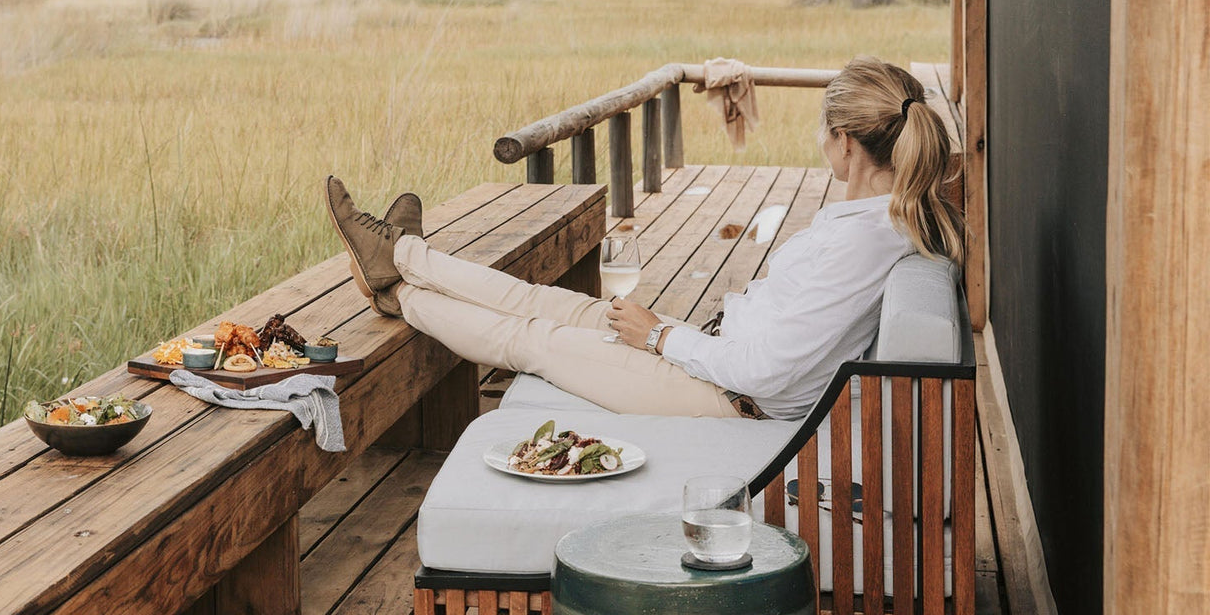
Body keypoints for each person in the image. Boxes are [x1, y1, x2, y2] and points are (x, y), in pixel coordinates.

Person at [325, 57, 964, 420]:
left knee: (534, 338)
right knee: (546, 303)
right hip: (712, 358)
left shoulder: (862, 244)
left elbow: (768, 371)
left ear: (843, 143)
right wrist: (666, 333)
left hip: (728, 399)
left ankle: (397, 290)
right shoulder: (876, 222)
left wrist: (659, 336)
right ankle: (406, 258)